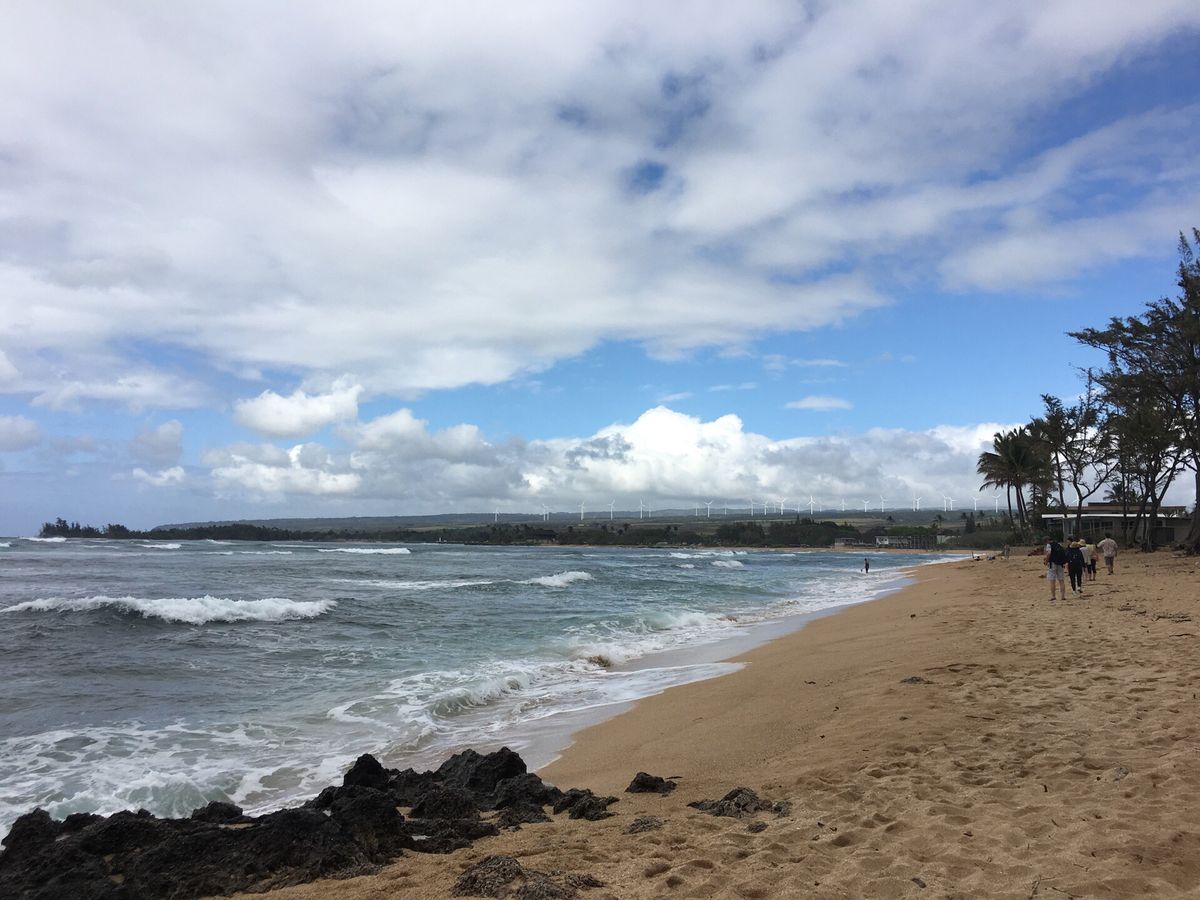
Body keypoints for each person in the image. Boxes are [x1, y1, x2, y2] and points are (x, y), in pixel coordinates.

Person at [1044, 536, 1068, 601]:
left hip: (1052, 564)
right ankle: (1063, 596)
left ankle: (1053, 596)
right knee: (1061, 580)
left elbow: (1048, 553)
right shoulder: (1059, 544)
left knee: (1052, 580)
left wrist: (1046, 561)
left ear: (1047, 541)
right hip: (1060, 563)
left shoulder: (1049, 545)